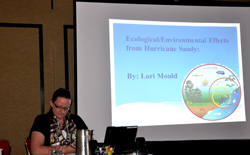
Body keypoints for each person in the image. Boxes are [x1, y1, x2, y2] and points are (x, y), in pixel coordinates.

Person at [29, 88, 88, 155]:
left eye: (66, 108)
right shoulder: (41, 120)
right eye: (59, 107)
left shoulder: (76, 119)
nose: (62, 111)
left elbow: (89, 143)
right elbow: (36, 150)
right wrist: (66, 150)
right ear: (52, 103)